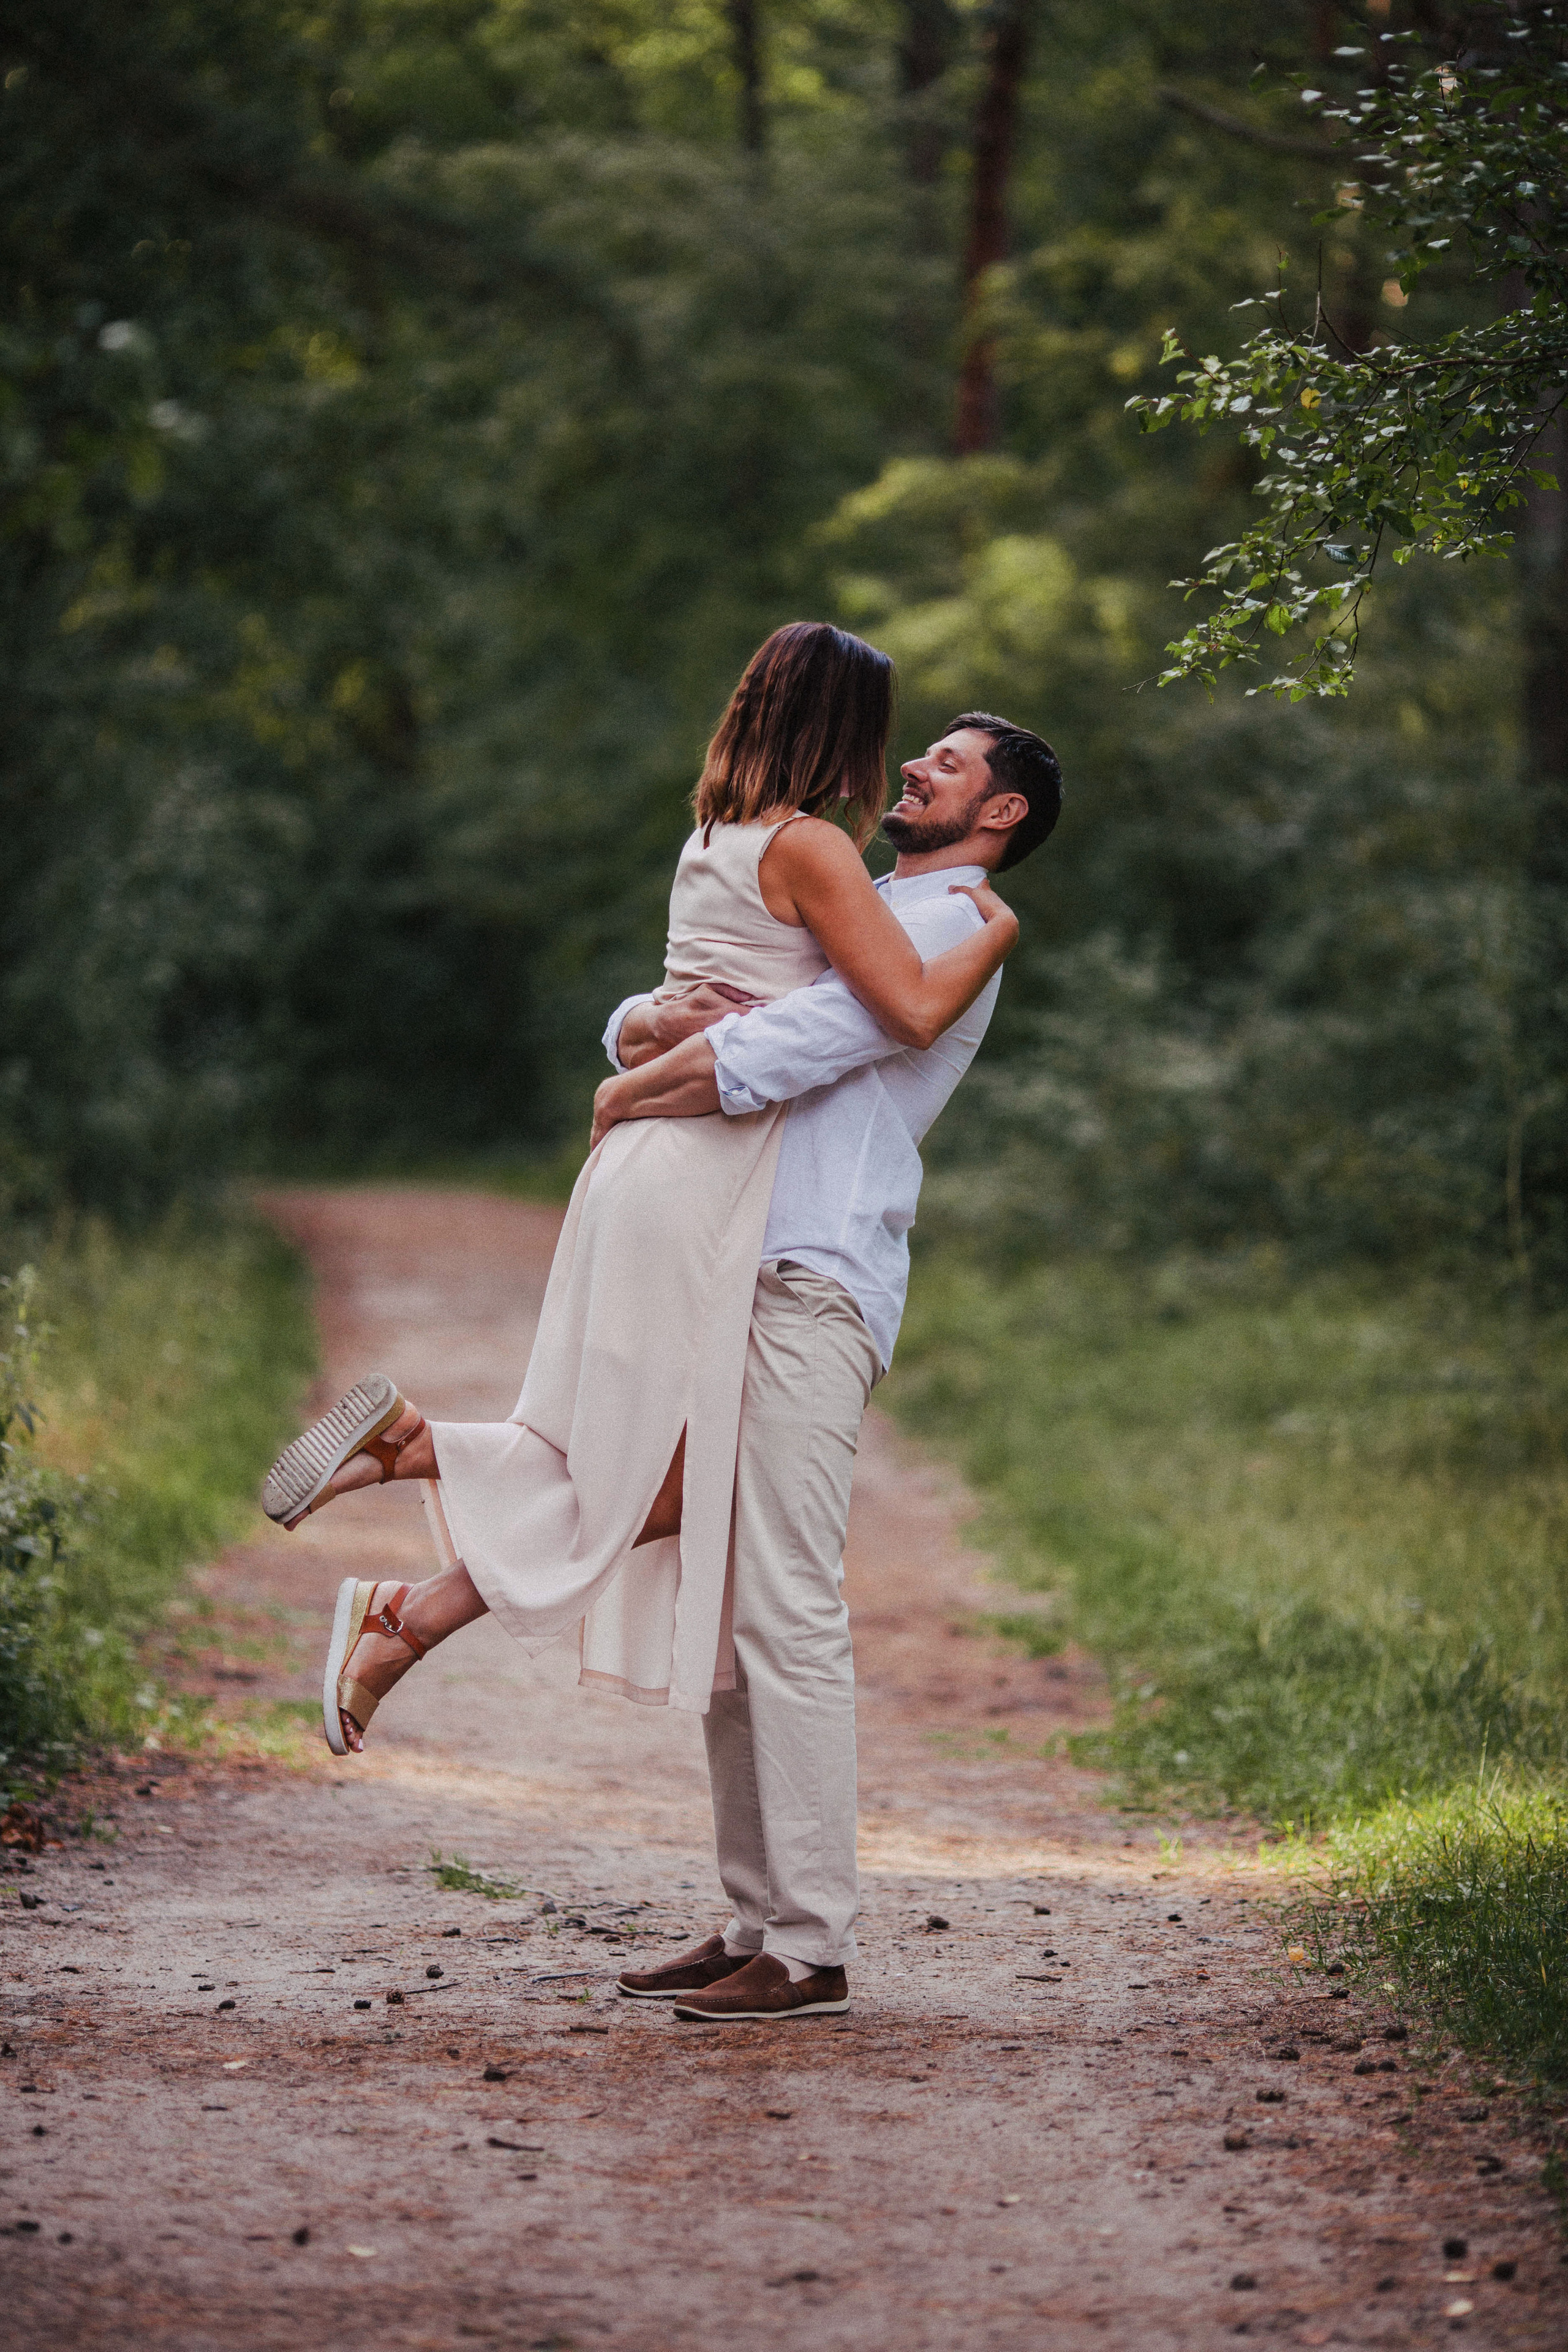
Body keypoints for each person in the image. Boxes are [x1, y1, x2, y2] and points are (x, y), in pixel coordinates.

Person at [260, 626, 1018, 1785]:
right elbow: (867, 1017)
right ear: (842, 733)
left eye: (944, 760)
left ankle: (416, 1543)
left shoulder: (722, 836)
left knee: (667, 1467)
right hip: (701, 1175)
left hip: (657, 1168)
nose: (904, 763)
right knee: (650, 1463)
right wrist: (998, 928)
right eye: (893, 737)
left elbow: (694, 998)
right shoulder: (823, 857)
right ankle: (415, 1503)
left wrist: (640, 1044)